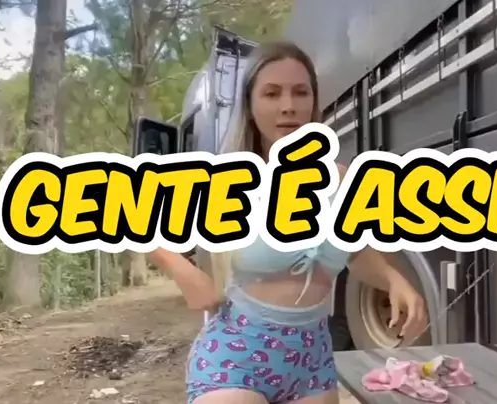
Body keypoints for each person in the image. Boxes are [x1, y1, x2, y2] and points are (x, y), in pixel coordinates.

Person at [146, 41, 429, 404]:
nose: (288, 106)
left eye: (300, 92)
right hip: (236, 359)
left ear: (314, 102)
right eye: (271, 93)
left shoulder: (341, 180)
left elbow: (354, 251)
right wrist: (187, 274)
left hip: (313, 364)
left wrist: (393, 279)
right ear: (250, 106)